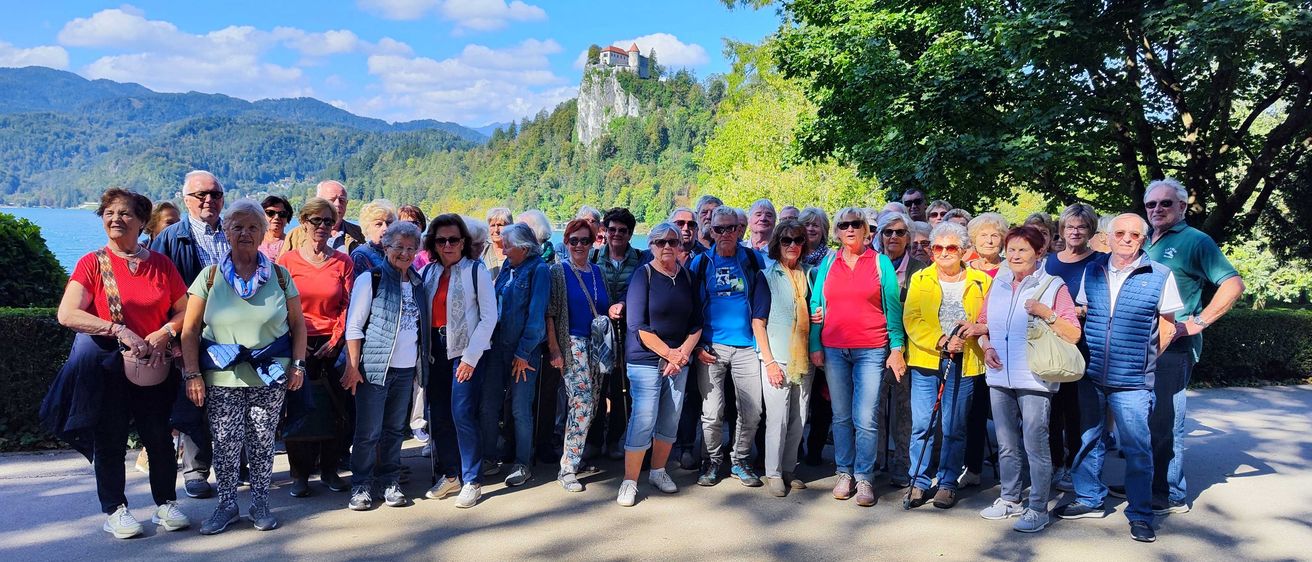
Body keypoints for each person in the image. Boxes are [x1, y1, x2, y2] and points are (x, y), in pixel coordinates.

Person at [44, 188, 191, 539]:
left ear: (142, 221)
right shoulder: (92, 264)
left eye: (125, 213)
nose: (115, 219)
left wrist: (166, 332)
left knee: (158, 437)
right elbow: (67, 313)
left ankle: (165, 503)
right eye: (109, 212)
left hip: (154, 363)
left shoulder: (161, 264)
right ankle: (116, 509)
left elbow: (185, 310)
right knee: (110, 438)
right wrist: (115, 328)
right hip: (110, 366)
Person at [180, 198, 307, 534]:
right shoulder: (209, 277)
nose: (245, 233)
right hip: (221, 375)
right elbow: (190, 331)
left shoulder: (280, 276)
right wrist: (192, 374)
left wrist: (298, 366)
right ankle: (227, 505)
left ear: (263, 232)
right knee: (224, 442)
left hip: (271, 374)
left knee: (264, 441)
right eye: (238, 227)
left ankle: (261, 504)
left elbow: (299, 326)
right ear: (226, 231)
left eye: (253, 227)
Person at [1056, 213, 1184, 544]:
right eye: (1120, 233)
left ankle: (1141, 514)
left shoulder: (1159, 274)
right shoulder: (1092, 270)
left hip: (1133, 381)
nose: (1127, 239)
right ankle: (1089, 498)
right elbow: (1084, 313)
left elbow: (1168, 326)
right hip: (1093, 372)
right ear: (1108, 237)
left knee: (1137, 447)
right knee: (1088, 438)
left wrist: (1145, 360)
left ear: (1143, 239)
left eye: (1134, 234)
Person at [1142, 178, 1244, 515]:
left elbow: (1232, 283)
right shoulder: (1143, 241)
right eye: (1151, 204)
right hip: (1140, 344)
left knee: (1165, 419)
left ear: (1182, 207)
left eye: (1165, 203)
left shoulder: (1195, 240)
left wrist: (1197, 322)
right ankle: (1149, 483)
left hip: (1173, 346)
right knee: (1142, 419)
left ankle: (1169, 492)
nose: (1157, 209)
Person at [975, 225, 1081, 533]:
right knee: (1007, 444)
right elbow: (983, 324)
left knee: (1035, 445)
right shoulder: (1000, 282)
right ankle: (1009, 499)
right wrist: (986, 346)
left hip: (1035, 376)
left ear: (1039, 253)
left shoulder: (1052, 284)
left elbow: (1073, 333)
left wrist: (1045, 312)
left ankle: (1037, 507)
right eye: (1012, 249)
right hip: (998, 374)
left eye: (1024, 249)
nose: (1016, 255)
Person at [808, 207, 907, 507]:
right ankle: (844, 472)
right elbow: (816, 304)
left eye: (856, 224)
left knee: (865, 417)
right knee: (841, 415)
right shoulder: (828, 262)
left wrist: (897, 347)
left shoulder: (880, 263)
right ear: (836, 231)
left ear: (866, 230)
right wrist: (815, 344)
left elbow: (892, 306)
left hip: (871, 349)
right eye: (844, 225)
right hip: (835, 348)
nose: (850, 229)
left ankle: (864, 476)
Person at [150, 170, 230, 501]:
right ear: (186, 200)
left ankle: (232, 465)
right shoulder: (170, 239)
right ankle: (196, 470)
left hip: (231, 333)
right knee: (194, 399)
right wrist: (172, 335)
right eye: (200, 195)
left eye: (215, 194)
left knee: (230, 398)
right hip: (190, 332)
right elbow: (157, 293)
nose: (208, 200)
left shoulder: (233, 232)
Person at [342, 222, 430, 511]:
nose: (404, 253)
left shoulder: (418, 283)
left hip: (405, 370)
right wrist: (353, 367)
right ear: (386, 247)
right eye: (398, 247)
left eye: (410, 247)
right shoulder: (372, 279)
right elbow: (354, 326)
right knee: (368, 432)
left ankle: (389, 480)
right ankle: (361, 484)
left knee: (395, 430)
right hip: (375, 369)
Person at [902, 221, 990, 510]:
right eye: (937, 247)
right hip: (927, 359)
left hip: (965, 362)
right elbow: (912, 318)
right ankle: (918, 480)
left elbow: (990, 319)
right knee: (922, 424)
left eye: (951, 247)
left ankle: (949, 482)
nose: (943, 252)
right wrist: (941, 340)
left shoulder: (981, 280)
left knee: (954, 425)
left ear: (963, 250)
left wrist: (975, 329)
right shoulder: (921, 278)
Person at [616, 223, 703, 507]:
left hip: (678, 361)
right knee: (643, 419)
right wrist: (670, 354)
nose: (667, 246)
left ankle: (658, 471)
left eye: (672, 242)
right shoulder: (644, 275)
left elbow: (696, 323)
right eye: (660, 241)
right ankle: (629, 481)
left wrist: (682, 355)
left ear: (680, 246)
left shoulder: (688, 278)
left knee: (670, 419)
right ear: (651, 245)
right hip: (646, 360)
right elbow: (637, 326)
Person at [277, 197, 355, 498]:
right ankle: (300, 475)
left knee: (335, 408)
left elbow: (349, 306)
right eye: (315, 220)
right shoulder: (287, 262)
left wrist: (334, 342)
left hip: (332, 345)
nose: (321, 226)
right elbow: (279, 304)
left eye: (327, 221)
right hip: (297, 343)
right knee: (298, 409)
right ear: (304, 222)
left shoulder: (343, 262)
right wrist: (298, 342)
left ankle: (330, 470)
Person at [420, 214, 498, 508]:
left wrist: (470, 358)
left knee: (462, 414)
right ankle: (450, 474)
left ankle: (472, 479)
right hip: (434, 350)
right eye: (441, 240)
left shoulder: (476, 271)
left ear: (464, 242)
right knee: (438, 414)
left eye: (454, 239)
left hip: (465, 352)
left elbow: (490, 317)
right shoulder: (429, 273)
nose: (448, 244)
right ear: (434, 244)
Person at [690, 206, 769, 488]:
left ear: (739, 230)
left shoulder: (751, 258)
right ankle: (712, 460)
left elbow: (764, 298)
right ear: (711, 231)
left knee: (752, 411)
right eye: (719, 228)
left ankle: (740, 459)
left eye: (730, 228)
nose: (725, 233)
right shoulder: (700, 264)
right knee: (712, 412)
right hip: (711, 347)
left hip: (747, 346)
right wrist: (698, 344)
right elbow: (691, 308)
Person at [480, 223, 551, 486]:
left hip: (524, 352)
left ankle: (523, 463)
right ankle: (489, 458)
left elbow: (536, 317)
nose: (503, 249)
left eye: (508, 245)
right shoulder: (510, 267)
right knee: (489, 405)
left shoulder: (539, 270)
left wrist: (523, 353)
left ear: (523, 247)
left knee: (521, 409)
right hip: (497, 346)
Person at [546, 219, 612, 492]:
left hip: (597, 344)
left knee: (593, 403)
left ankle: (575, 455)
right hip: (571, 343)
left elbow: (604, 305)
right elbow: (550, 313)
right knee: (581, 403)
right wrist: (554, 349)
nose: (579, 246)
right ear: (566, 242)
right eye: (574, 240)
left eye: (585, 240)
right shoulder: (558, 272)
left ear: (593, 241)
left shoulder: (598, 272)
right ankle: (568, 467)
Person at [1043, 203, 1102, 493]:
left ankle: (1080, 468)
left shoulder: (1102, 261)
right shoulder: (1050, 261)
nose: (1075, 231)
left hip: (1086, 344)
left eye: (1081, 226)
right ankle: (1057, 464)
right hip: (1053, 345)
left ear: (1091, 230)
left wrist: (1080, 311)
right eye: (1069, 227)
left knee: (1080, 410)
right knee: (1053, 408)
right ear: (1061, 230)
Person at [753, 219, 813, 497]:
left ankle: (789, 468)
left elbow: (815, 310)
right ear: (777, 244)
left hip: (803, 358)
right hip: (777, 357)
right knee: (776, 418)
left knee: (799, 417)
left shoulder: (809, 276)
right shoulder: (765, 276)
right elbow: (758, 323)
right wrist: (770, 362)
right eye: (786, 240)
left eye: (798, 240)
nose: (792, 246)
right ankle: (773, 472)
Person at [588, 208, 649, 460]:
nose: (616, 235)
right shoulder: (593, 256)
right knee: (596, 386)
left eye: (622, 231)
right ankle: (593, 440)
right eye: (611, 229)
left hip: (628, 332)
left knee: (621, 386)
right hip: (599, 332)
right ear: (605, 231)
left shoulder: (641, 259)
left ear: (631, 234)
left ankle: (614, 440)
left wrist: (624, 304)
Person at [874, 211, 927, 488]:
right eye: (887, 232)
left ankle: (902, 463)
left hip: (910, 347)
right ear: (879, 236)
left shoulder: (921, 268)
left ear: (908, 238)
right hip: (872, 344)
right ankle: (875, 459)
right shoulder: (872, 265)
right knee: (874, 404)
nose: (893, 237)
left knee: (905, 408)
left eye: (899, 232)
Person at [959, 212, 1009, 487]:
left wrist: (986, 327)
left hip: (1005, 349)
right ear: (973, 240)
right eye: (983, 235)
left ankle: (1011, 470)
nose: (989, 240)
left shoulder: (1011, 268)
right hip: (973, 352)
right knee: (975, 412)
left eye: (994, 235)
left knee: (1006, 413)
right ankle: (974, 468)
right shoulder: (964, 267)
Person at [283, 180, 365, 255]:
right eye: (331, 200)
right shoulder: (295, 235)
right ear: (318, 203)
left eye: (342, 200)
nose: (337, 204)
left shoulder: (357, 233)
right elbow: (281, 268)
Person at [350, 199, 398, 276]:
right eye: (379, 224)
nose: (385, 228)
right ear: (367, 228)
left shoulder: (399, 251)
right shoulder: (360, 255)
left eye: (389, 223)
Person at [259, 196, 292, 261]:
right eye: (270, 213)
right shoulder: (253, 241)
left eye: (282, 214)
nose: (276, 217)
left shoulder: (292, 243)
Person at [484, 207, 514, 278]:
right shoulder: (482, 251)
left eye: (500, 225)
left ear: (510, 226)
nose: (496, 230)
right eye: (492, 225)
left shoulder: (516, 252)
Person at [399, 205, 430, 270]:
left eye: (415, 223)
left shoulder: (432, 248)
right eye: (406, 223)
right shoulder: (394, 251)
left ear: (422, 224)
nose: (411, 227)